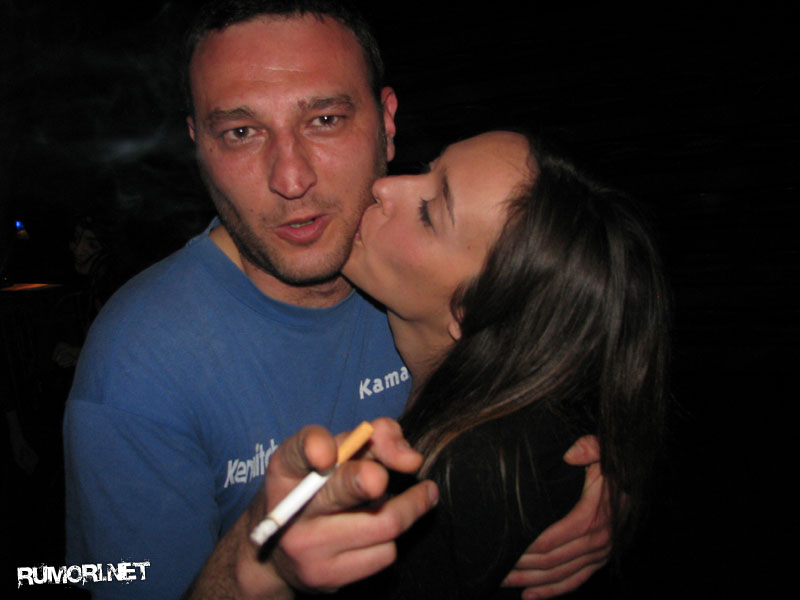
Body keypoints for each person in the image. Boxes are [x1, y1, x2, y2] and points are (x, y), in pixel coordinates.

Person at [63, 2, 611, 598]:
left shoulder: (436, 277)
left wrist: (593, 484)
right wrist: (254, 564)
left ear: (387, 121)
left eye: (324, 119)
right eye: (241, 133)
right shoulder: (136, 369)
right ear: (199, 145)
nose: (291, 180)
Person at [239, 130, 670, 599]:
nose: (384, 186)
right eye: (428, 169)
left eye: (429, 212)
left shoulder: (464, 483)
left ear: (469, 311)